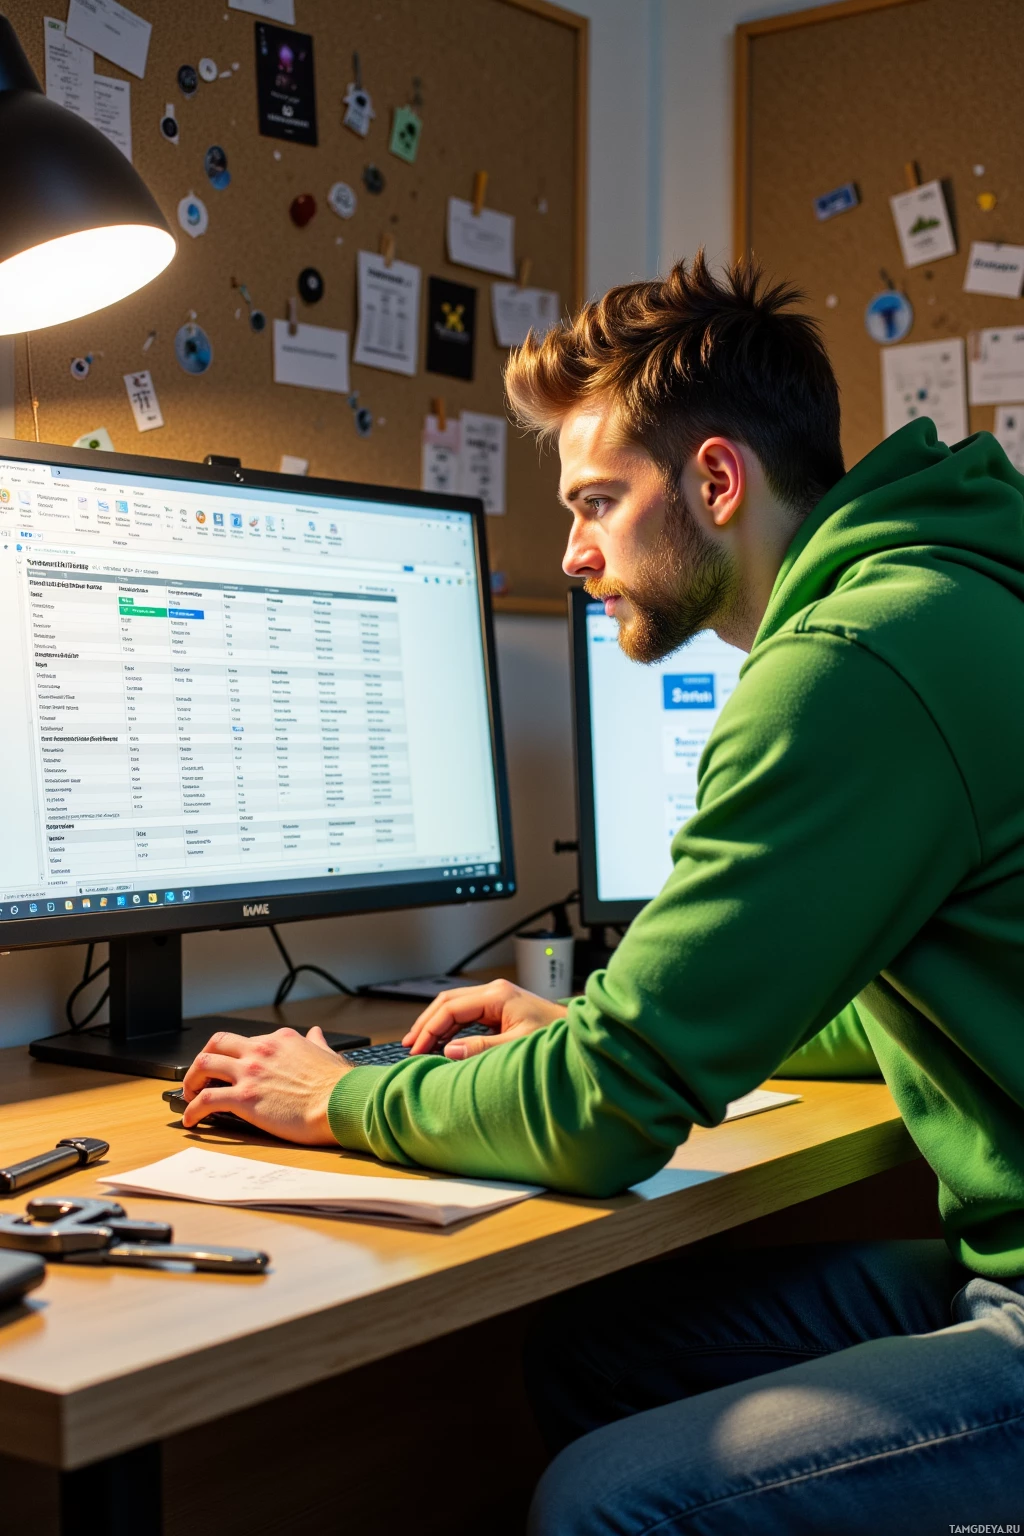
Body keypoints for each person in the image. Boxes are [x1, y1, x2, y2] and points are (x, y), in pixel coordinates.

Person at [182, 254, 1024, 1528]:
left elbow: (612, 1114)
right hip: (998, 1259)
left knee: (606, 1502)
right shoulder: (946, 585)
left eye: (594, 503)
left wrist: (343, 1095)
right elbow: (896, 999)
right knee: (600, 1350)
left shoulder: (849, 666)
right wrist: (592, 1022)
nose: (572, 554)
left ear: (717, 480)